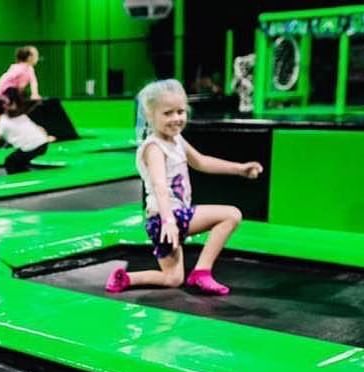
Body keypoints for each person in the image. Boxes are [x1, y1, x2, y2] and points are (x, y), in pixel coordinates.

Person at [106, 78, 262, 296]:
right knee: (231, 215)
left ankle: (127, 278)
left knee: (172, 278)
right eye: (168, 113)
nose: (176, 118)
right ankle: (202, 272)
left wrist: (239, 168)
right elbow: (160, 185)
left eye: (180, 111)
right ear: (151, 116)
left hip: (167, 219)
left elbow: (202, 161)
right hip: (166, 217)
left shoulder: (177, 140)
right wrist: (169, 220)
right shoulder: (154, 147)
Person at [0, 91, 54, 174]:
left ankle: (22, 181)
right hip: (43, 144)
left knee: (10, 162)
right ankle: (25, 172)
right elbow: (39, 128)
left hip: (33, 147)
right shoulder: (18, 115)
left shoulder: (1, 124)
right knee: (18, 160)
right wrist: (46, 137)